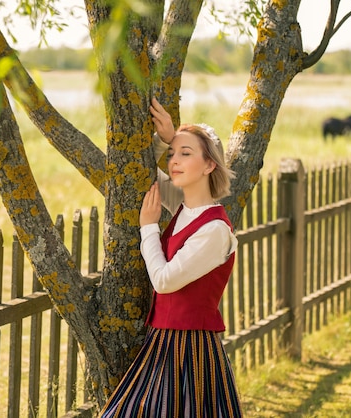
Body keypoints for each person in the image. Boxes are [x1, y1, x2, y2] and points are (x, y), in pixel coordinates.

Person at [98, 98, 243, 417]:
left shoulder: (215, 230)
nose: (174, 161)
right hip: (162, 340)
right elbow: (144, 168)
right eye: (174, 155)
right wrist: (165, 139)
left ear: (209, 166)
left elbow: (164, 281)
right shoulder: (186, 207)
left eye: (186, 154)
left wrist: (148, 228)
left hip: (190, 349)